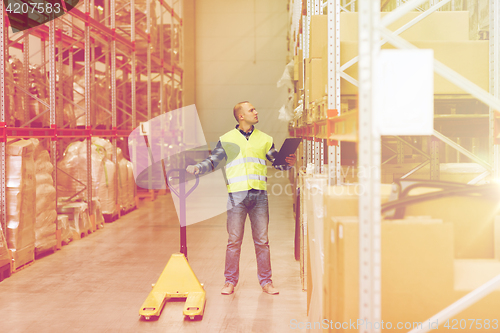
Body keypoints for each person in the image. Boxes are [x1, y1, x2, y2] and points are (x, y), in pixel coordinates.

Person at [186, 101, 296, 295]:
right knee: (234, 241)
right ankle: (230, 282)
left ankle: (266, 282)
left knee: (262, 241)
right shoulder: (227, 139)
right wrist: (197, 168)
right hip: (236, 196)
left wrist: (288, 162)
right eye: (252, 110)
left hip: (259, 196)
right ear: (241, 116)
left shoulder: (265, 139)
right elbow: (214, 161)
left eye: (255, 108)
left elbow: (277, 163)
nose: (256, 111)